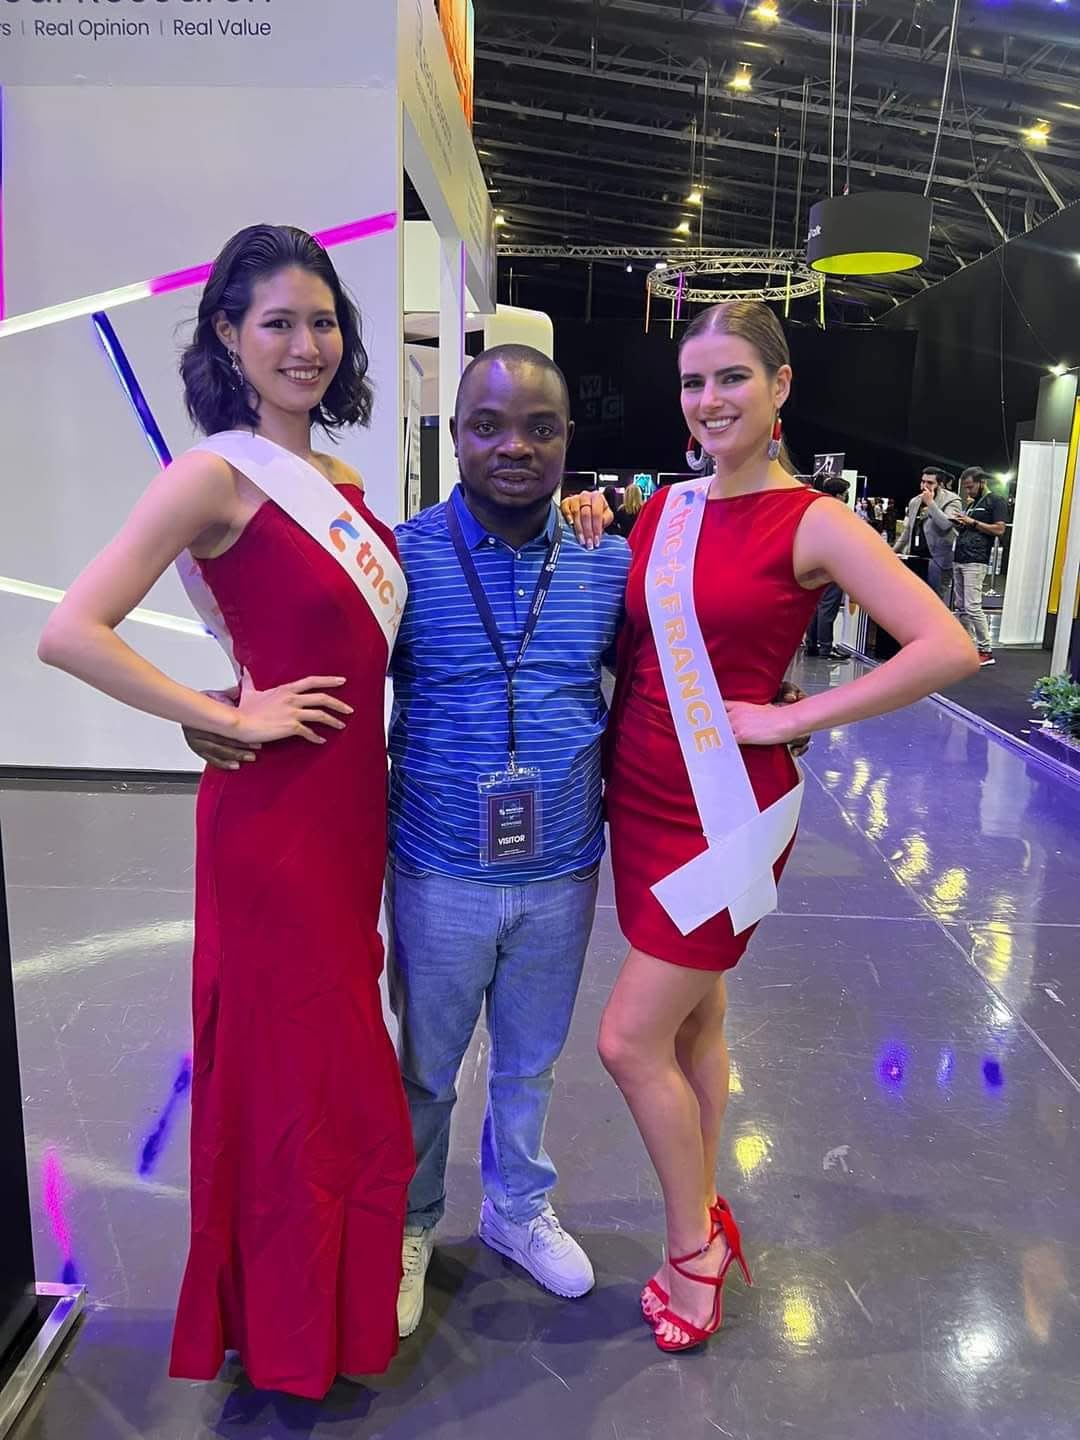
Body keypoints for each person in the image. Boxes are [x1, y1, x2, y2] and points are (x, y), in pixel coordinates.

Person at [38, 224, 414, 1398]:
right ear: (227, 336)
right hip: (274, 827)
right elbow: (70, 630)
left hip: (351, 818)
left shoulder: (343, 487)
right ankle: (293, 1332)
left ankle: (323, 1314)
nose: (306, 346)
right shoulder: (212, 476)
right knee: (293, 1073)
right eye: (278, 323)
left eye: (323, 322)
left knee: (336, 1071)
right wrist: (219, 711)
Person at [593, 301, 978, 1354]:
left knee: (628, 1040)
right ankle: (707, 1200)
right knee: (695, 1023)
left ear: (781, 387)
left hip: (726, 811)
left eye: (733, 378)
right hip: (643, 794)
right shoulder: (667, 510)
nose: (710, 400)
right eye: (693, 381)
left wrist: (796, 716)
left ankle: (693, 1252)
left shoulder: (812, 520)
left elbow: (945, 645)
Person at [953, 467, 1008, 667]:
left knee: (972, 606)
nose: (968, 491)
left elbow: (999, 529)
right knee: (961, 607)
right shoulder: (972, 503)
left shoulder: (996, 501)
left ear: (982, 482)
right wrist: (960, 523)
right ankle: (967, 647)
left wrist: (973, 522)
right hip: (960, 557)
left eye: (970, 487)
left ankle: (985, 650)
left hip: (976, 560)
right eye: (966, 488)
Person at [893, 467, 962, 601]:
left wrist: (930, 503)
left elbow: (945, 524)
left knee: (935, 600)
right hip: (915, 557)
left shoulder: (952, 500)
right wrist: (893, 551)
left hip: (937, 559)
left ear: (940, 484)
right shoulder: (915, 501)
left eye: (930, 483)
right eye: (923, 481)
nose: (925, 486)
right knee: (912, 598)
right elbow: (908, 530)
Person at [804, 474, 850, 660]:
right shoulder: (838, 513)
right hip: (832, 564)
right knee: (828, 608)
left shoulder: (816, 508)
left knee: (815, 606)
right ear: (838, 495)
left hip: (814, 563)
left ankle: (811, 644)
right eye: (845, 494)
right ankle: (826, 647)